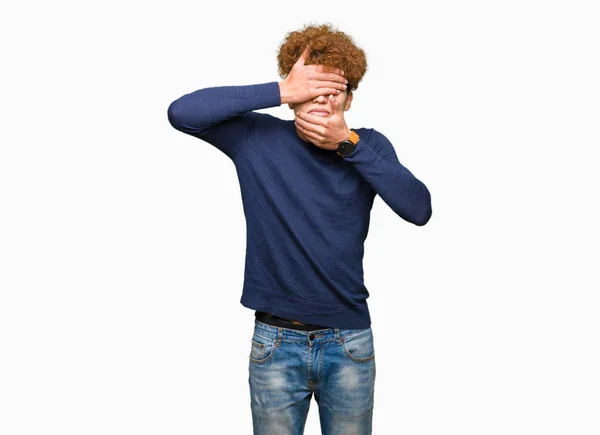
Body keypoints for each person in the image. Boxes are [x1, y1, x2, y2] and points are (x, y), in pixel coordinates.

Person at [167, 22, 432, 435]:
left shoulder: (369, 145)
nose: (322, 102)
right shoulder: (255, 136)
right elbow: (181, 112)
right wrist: (279, 91)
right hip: (275, 341)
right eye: (311, 91)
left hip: (349, 342)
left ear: (349, 97)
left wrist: (349, 144)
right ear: (293, 95)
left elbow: (419, 208)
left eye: (333, 92)